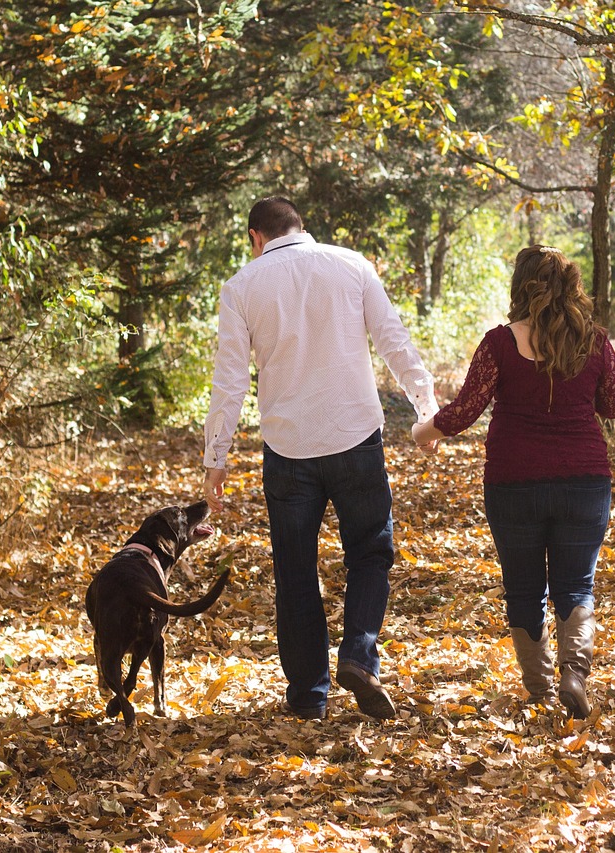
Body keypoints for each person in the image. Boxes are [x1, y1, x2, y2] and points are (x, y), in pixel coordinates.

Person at [202, 197, 438, 721]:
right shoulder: (351, 265)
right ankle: (358, 653)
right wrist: (428, 409)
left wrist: (215, 456)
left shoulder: (241, 287)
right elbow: (394, 342)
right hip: (355, 437)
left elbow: (230, 380)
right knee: (371, 553)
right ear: (300, 227)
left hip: (288, 451)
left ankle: (310, 697)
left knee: (295, 571)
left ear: (254, 236)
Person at [412, 246, 615, 719]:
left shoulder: (500, 343)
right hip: (584, 482)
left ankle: (539, 689)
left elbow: (465, 411)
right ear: (571, 286)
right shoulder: (594, 341)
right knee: (577, 584)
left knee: (524, 588)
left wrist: (420, 431)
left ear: (520, 286)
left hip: (514, 483)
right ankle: (574, 671)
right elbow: (613, 406)